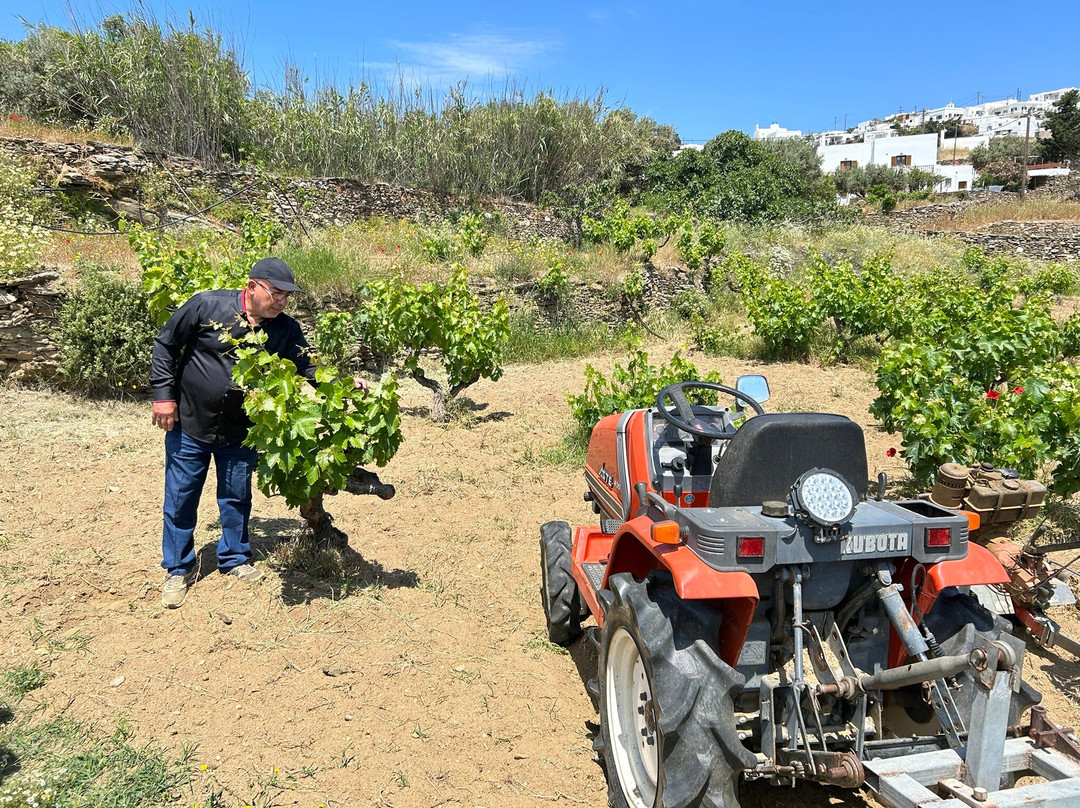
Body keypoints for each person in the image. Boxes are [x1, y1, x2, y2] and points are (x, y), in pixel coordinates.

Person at [150, 257, 313, 609]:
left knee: (237, 496)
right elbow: (165, 344)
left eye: (288, 296)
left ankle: (235, 558)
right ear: (252, 286)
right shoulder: (207, 305)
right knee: (180, 498)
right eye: (277, 293)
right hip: (190, 423)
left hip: (242, 432)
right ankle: (178, 568)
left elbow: (307, 368)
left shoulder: (285, 329)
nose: (282, 302)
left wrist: (344, 386)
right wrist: (164, 397)